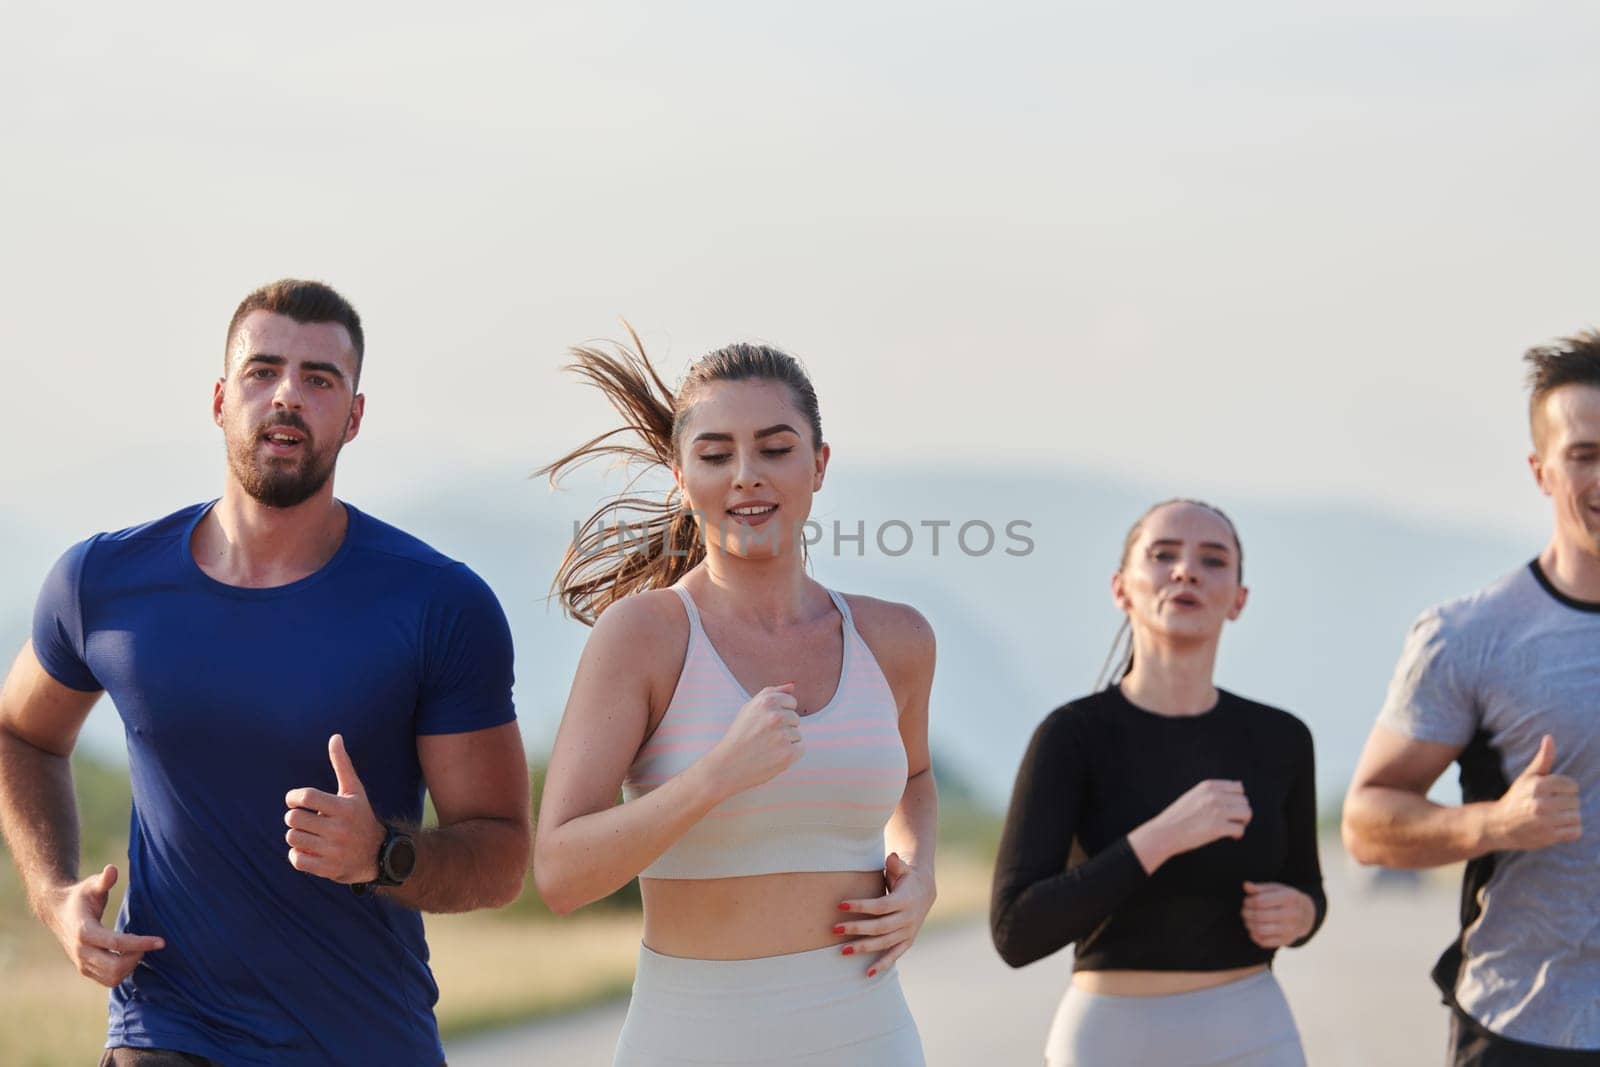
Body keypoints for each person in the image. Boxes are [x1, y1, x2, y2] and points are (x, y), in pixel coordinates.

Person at [0, 279, 531, 1066]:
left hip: (363, 1041)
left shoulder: (438, 604)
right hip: (166, 1034)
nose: (287, 395)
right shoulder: (103, 581)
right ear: (220, 399)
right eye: (263, 370)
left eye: (319, 379)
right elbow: (21, 733)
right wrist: (51, 896)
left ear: (353, 417)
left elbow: (502, 851)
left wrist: (382, 854)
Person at [532, 331, 937, 1066]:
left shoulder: (897, 639)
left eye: (776, 448)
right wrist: (715, 775)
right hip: (690, 1040)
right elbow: (560, 873)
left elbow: (914, 776)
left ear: (819, 465)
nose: (746, 475)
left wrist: (922, 874)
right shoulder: (644, 638)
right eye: (716, 454)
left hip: (871, 1038)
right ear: (681, 477)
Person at [991, 499, 1325, 1067]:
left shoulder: (1282, 738)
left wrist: (1302, 915)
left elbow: (1306, 887)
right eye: (1163, 554)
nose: (1186, 571)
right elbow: (1015, 931)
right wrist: (1163, 836)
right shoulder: (1071, 736)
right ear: (1122, 589)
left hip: (1253, 1029)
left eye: (1213, 560)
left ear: (1239, 600)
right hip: (1110, 1040)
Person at [1342, 332, 1600, 1065]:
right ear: (1541, 471)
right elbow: (1366, 824)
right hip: (1527, 1025)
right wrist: (1497, 820)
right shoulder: (1472, 635)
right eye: (1584, 453)